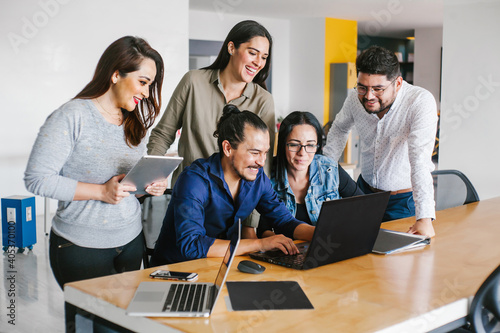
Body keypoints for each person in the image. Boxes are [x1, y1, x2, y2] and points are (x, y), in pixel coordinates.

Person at [24, 36, 168, 289]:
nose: (147, 93)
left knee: (124, 324)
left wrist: (149, 185)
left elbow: (128, 187)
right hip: (80, 246)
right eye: (143, 82)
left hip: (131, 240)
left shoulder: (133, 123)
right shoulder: (72, 116)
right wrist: (101, 192)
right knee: (91, 327)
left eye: (150, 85)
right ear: (115, 75)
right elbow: (37, 180)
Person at [150, 105, 315, 266]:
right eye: (255, 152)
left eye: (265, 153)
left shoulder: (258, 179)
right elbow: (191, 246)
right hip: (174, 270)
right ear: (228, 148)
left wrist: (320, 234)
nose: (261, 162)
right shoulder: (194, 180)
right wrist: (260, 244)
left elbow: (284, 220)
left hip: (220, 266)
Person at [323, 45, 438, 237]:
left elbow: (419, 159)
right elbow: (339, 129)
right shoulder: (355, 99)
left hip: (403, 201)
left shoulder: (419, 102)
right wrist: (324, 172)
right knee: (355, 252)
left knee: (396, 264)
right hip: (364, 192)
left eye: (378, 89)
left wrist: (424, 218)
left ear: (398, 83)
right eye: (362, 87)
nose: (368, 96)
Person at [147, 20, 275, 183]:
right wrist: (152, 177)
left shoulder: (263, 101)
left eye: (264, 57)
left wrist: (254, 208)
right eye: (252, 53)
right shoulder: (193, 82)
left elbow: (263, 164)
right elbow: (163, 134)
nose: (259, 62)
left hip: (235, 201)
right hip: (188, 194)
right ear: (231, 48)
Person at [256, 111, 364, 237]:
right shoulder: (267, 175)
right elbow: (262, 229)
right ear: (283, 145)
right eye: (295, 144)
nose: (302, 153)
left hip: (328, 247)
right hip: (286, 252)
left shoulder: (329, 169)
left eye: (310, 145)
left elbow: (363, 206)